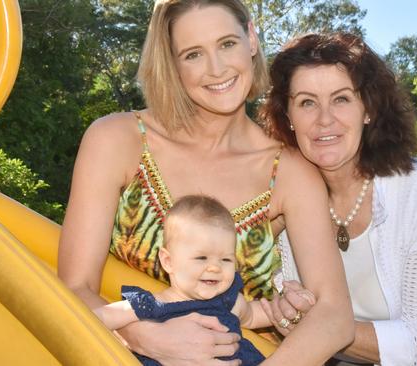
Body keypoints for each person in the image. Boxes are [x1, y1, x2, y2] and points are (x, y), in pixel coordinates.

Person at [57, 1, 354, 365]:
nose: (216, 69)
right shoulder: (116, 139)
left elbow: (335, 315)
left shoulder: (290, 171)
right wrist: (144, 337)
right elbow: (75, 286)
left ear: (251, 38)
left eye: (227, 43)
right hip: (104, 353)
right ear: (171, 62)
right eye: (193, 54)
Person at [261, 33, 417, 365]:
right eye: (307, 102)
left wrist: (318, 327)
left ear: (368, 109)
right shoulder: (279, 193)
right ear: (288, 117)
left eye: (341, 99)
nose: (324, 119)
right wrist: (280, 304)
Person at [94, 195, 316, 366]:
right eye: (201, 258)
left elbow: (257, 313)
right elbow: (96, 318)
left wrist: (289, 303)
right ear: (168, 261)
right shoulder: (150, 305)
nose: (214, 267)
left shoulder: (227, 301)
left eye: (226, 259)